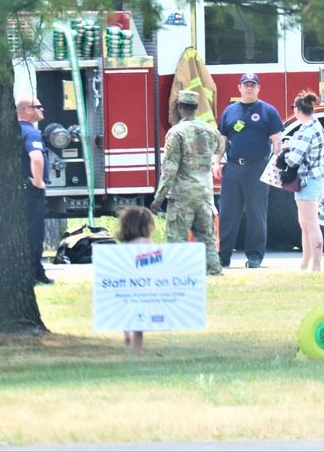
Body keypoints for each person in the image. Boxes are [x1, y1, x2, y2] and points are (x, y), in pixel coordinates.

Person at [213, 73, 283, 268]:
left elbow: (277, 138)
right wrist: (216, 163)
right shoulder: (230, 111)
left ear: (258, 88)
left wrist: (278, 154)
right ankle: (223, 256)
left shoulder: (268, 111)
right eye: (246, 85)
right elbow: (223, 140)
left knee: (256, 214)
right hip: (234, 167)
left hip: (257, 167)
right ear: (239, 88)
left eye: (253, 85)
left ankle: (254, 256)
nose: (249, 88)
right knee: (227, 213)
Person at [150, 90, 224, 275]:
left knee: (177, 238)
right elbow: (220, 146)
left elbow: (170, 169)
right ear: (196, 108)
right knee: (206, 236)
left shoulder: (175, 133)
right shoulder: (208, 130)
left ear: (180, 107)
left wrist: (159, 198)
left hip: (181, 196)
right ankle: (214, 270)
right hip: (204, 194)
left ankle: (179, 273)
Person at [283, 90, 324, 272]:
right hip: (310, 179)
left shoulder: (307, 130)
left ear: (297, 109)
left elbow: (293, 159)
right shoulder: (312, 126)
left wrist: (283, 153)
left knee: (311, 224)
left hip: (308, 180)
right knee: (305, 224)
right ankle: (304, 264)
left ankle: (315, 266)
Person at [18, 96, 54, 286]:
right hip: (31, 190)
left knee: (24, 232)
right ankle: (31, 275)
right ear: (27, 110)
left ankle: (38, 272)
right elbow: (37, 158)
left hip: (18, 188)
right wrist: (39, 181)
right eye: (38, 106)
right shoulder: (31, 133)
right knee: (34, 233)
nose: (42, 109)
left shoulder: (13, 131)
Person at [116, 205, 155, 356]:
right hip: (143, 285)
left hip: (127, 284)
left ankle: (126, 332)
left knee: (127, 312)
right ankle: (138, 351)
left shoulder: (125, 245)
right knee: (139, 325)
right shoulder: (147, 244)